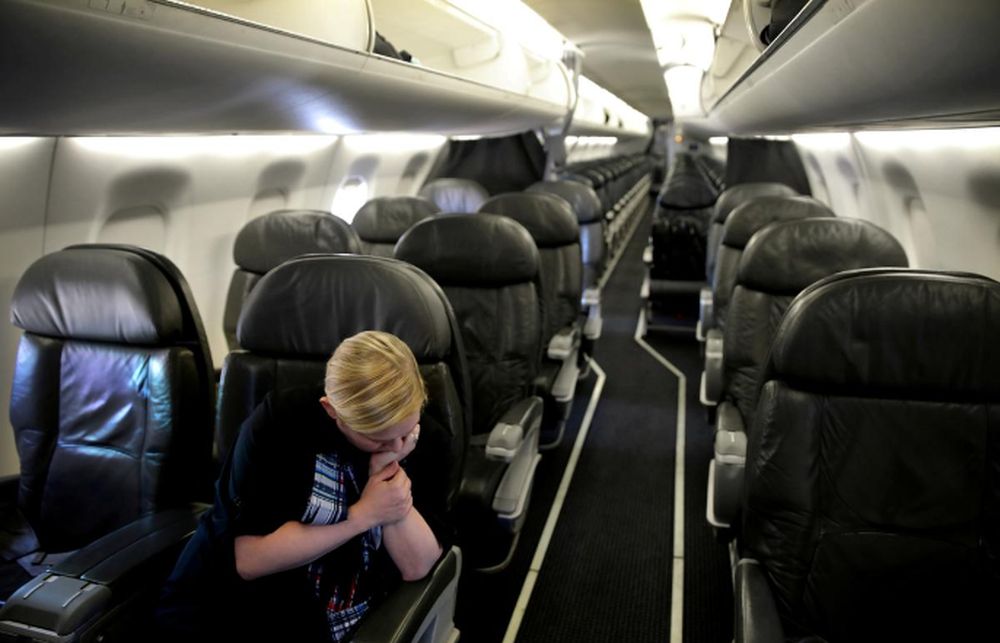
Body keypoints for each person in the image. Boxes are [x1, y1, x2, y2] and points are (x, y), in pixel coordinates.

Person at [155, 331, 452, 641]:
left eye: (405, 430)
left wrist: (390, 483)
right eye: (376, 437)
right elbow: (249, 560)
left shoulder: (428, 440)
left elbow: (417, 567)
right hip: (234, 606)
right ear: (331, 409)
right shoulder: (281, 424)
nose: (396, 445)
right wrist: (362, 517)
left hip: (338, 615)